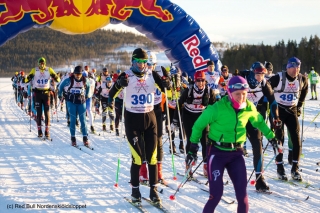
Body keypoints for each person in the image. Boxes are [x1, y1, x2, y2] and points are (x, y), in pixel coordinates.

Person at [188, 76, 276, 213]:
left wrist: (272, 137)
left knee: (243, 196)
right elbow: (198, 126)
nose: (241, 97)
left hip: (236, 154)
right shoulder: (216, 108)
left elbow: (259, 122)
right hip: (217, 153)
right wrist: (193, 148)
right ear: (229, 93)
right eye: (237, 94)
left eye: (244, 94)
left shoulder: (248, 107)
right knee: (216, 195)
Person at [108, 48, 170, 205]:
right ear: (132, 62)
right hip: (133, 120)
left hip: (150, 118)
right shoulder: (126, 75)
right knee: (138, 157)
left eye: (144, 62)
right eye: (138, 62)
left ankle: (153, 190)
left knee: (152, 157)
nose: (141, 66)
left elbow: (165, 88)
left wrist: (167, 83)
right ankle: (135, 191)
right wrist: (119, 85)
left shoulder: (151, 73)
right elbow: (111, 94)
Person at [240, 62, 282, 191]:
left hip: (252, 116)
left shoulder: (264, 83)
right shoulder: (242, 80)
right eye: (258, 74)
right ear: (252, 73)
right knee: (233, 148)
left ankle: (259, 180)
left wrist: (276, 117)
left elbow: (273, 101)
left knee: (258, 145)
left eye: (262, 74)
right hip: (237, 116)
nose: (260, 77)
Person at [268, 57, 308, 181]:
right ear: (287, 67)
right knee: (279, 139)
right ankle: (280, 168)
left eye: (298, 67)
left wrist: (300, 105)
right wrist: (271, 102)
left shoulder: (302, 79)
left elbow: (305, 90)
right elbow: (267, 87)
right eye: (293, 67)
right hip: (278, 111)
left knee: (296, 139)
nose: (295, 70)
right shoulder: (278, 78)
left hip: (292, 110)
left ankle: (295, 168)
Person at [172, 70, 216, 176]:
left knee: (205, 141)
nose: (200, 83)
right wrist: (175, 121)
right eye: (198, 81)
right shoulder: (188, 90)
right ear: (194, 81)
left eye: (202, 81)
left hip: (202, 116)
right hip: (188, 115)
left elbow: (215, 108)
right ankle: (189, 166)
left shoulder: (209, 91)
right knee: (192, 141)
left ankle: (206, 166)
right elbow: (179, 104)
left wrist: (215, 122)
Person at [139, 51, 168, 184]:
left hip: (156, 108)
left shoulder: (160, 71)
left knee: (159, 139)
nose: (150, 66)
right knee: (144, 139)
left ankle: (158, 170)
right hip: (144, 109)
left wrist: (170, 83)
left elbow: (169, 86)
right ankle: (143, 171)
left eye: (152, 64)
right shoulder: (141, 73)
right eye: (148, 64)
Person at [24, 57, 60, 138]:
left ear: (45, 63)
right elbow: (26, 80)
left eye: (43, 62)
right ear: (38, 63)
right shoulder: (35, 70)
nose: (41, 64)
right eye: (40, 63)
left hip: (46, 93)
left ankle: (47, 131)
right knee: (39, 113)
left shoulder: (49, 69)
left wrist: (55, 76)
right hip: (38, 93)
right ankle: (39, 130)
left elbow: (58, 79)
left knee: (47, 113)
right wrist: (27, 78)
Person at [58, 66, 91, 146]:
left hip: (81, 101)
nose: (78, 76)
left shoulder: (85, 80)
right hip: (71, 101)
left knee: (83, 120)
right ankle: (73, 138)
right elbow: (60, 87)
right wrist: (60, 95)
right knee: (73, 119)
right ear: (74, 74)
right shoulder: (69, 80)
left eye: (79, 74)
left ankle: (85, 137)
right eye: (76, 74)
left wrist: (87, 95)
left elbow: (89, 87)